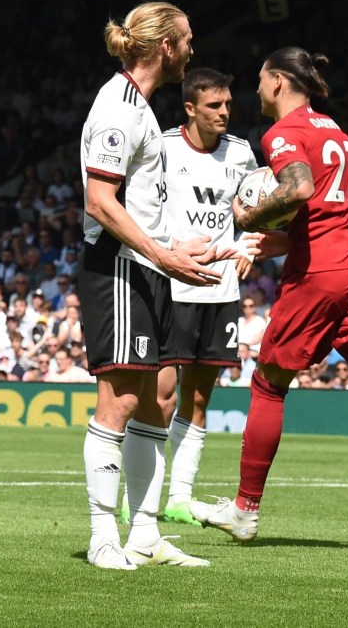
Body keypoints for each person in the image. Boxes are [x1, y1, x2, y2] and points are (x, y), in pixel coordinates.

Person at [190, 47, 348, 543]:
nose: (256, 90)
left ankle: (244, 509)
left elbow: (300, 189)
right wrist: (290, 238)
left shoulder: (282, 134)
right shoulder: (337, 134)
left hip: (321, 274)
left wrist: (250, 217)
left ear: (279, 82)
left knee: (267, 384)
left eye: (260, 79)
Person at [78, 1, 229, 570]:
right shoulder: (117, 107)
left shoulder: (140, 108)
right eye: (187, 38)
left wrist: (176, 246)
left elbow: (140, 203)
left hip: (149, 268)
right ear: (165, 46)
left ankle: (144, 533)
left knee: (157, 400)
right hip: (118, 267)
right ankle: (102, 537)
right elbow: (100, 200)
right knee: (118, 401)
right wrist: (162, 252)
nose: (193, 48)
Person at [121, 68, 257, 526]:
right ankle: (140, 492)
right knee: (159, 395)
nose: (224, 113)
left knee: (199, 398)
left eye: (227, 104)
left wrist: (250, 245)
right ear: (190, 108)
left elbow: (258, 207)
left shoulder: (240, 153)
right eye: (214, 106)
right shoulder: (161, 146)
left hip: (221, 288)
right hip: (173, 282)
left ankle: (179, 496)